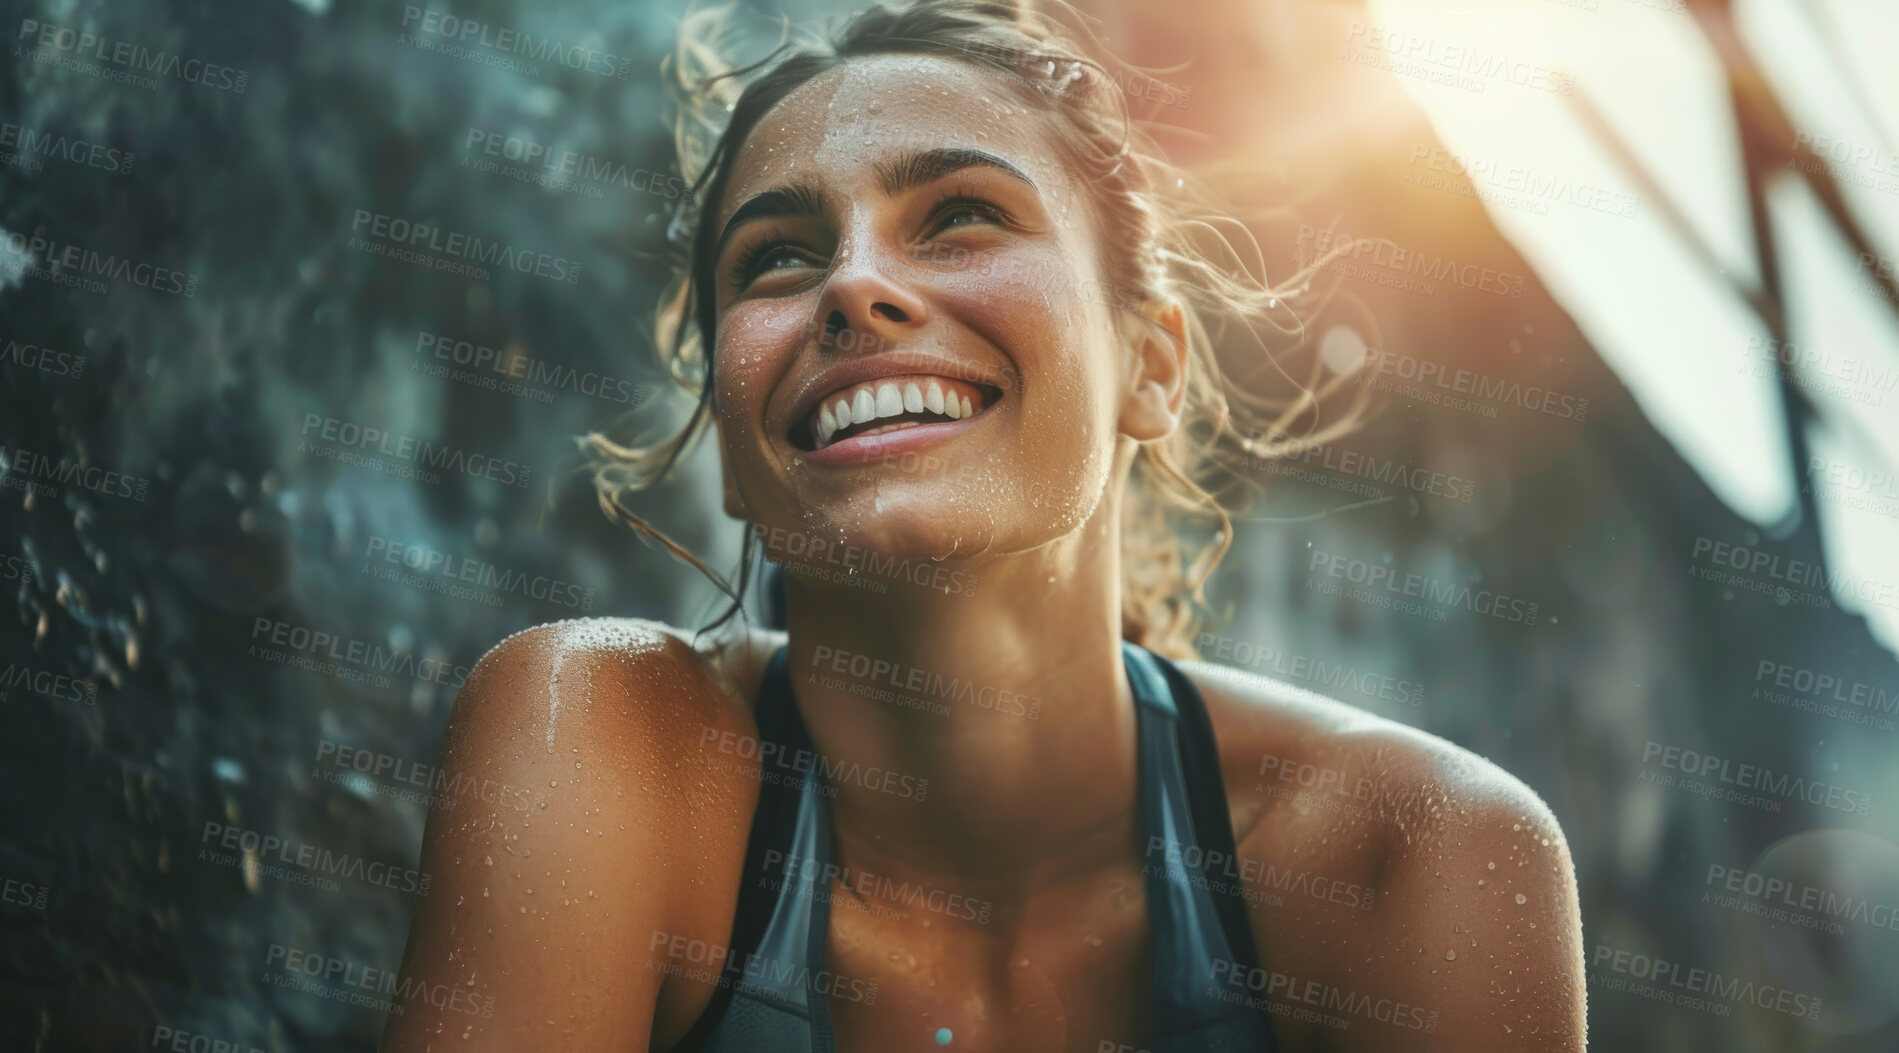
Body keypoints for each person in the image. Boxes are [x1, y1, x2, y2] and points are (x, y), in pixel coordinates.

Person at [382, 1, 1586, 1049]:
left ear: (1151, 369)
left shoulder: (1413, 857)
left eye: (961, 215)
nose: (852, 284)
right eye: (778, 258)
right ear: (735, 458)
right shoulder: (606, 742)